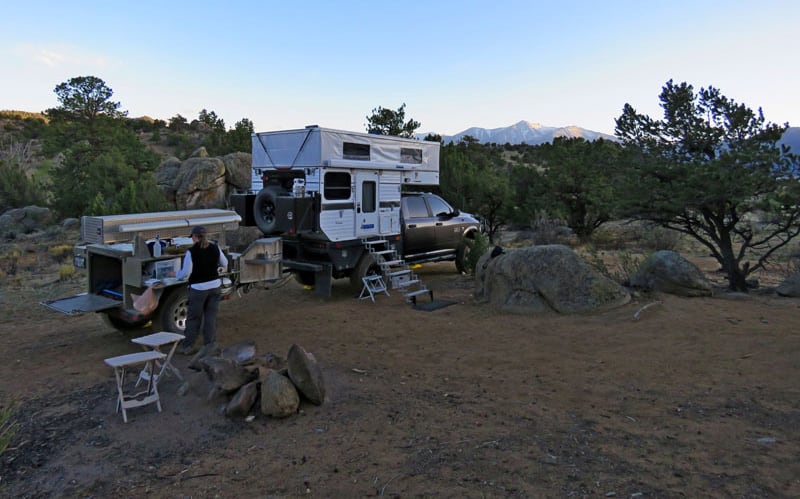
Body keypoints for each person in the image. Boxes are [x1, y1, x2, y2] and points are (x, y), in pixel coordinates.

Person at [173, 225, 228, 354]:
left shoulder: (191, 252)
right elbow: (225, 263)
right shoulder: (215, 247)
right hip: (215, 286)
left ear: (195, 237)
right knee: (211, 318)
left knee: (194, 318)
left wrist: (176, 275)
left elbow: (186, 273)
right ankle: (210, 346)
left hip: (198, 289)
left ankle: (188, 346)